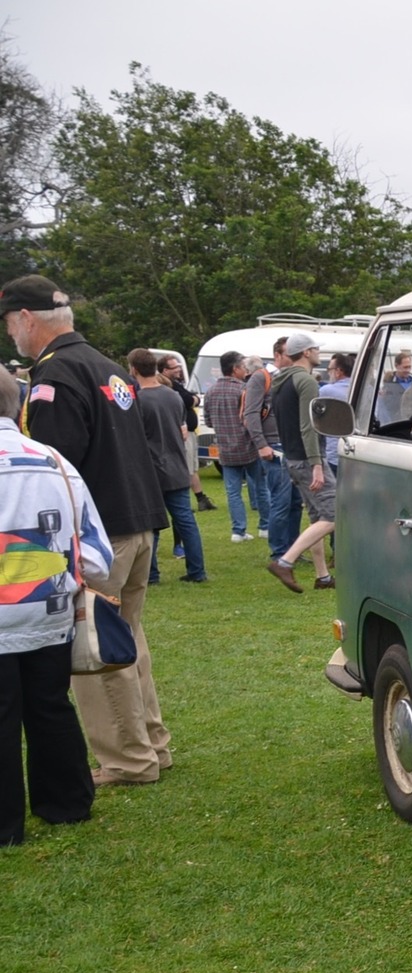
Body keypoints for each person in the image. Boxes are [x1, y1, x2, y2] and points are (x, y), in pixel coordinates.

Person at [1, 274, 171, 786]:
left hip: (103, 532)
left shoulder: (54, 375)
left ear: (27, 318)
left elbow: (53, 466)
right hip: (138, 519)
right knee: (128, 637)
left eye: (10, 322)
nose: (11, 334)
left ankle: (127, 759)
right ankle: (152, 746)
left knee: (95, 647)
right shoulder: (103, 365)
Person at [0, 364, 114, 846]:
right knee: (50, 704)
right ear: (19, 404)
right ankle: (66, 802)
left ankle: (6, 827)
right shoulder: (54, 462)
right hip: (49, 611)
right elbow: (96, 555)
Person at [129, 349, 208, 584]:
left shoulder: (137, 400)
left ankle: (150, 574)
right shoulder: (173, 396)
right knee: (186, 520)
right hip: (176, 465)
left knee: (150, 525)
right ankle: (197, 571)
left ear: (133, 369)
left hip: (150, 470)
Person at [265, 332, 334, 592]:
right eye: (316, 349)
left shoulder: (280, 380)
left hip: (292, 457)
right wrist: (317, 464)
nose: (319, 353)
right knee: (335, 514)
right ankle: (285, 561)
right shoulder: (305, 381)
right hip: (307, 458)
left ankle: (323, 577)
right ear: (306, 352)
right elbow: (308, 426)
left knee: (317, 516)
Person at [242, 337, 297, 560]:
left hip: (293, 447)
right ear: (277, 355)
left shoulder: (294, 376)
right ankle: (279, 552)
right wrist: (262, 444)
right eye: (289, 354)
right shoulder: (261, 377)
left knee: (295, 502)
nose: (293, 359)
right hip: (274, 447)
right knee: (281, 501)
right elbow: (251, 413)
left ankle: (293, 550)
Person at [204, 350, 267, 541]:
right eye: (243, 366)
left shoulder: (210, 392)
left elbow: (208, 421)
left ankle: (238, 531)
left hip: (225, 449)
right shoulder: (244, 390)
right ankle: (265, 526)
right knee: (261, 487)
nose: (245, 370)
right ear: (235, 369)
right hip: (248, 447)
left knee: (233, 493)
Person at [160, 352, 216, 512]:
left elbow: (192, 398)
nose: (179, 370)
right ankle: (184, 502)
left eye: (179, 366)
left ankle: (201, 499)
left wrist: (194, 399)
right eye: (174, 367)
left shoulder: (177, 385)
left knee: (192, 467)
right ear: (164, 370)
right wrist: (194, 399)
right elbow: (190, 400)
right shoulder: (169, 387)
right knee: (185, 468)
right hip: (182, 433)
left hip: (190, 432)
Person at [373, 350, 412, 431]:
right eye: (405, 367)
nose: (408, 370)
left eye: (409, 367)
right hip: (398, 423)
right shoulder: (389, 385)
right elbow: (388, 408)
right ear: (397, 366)